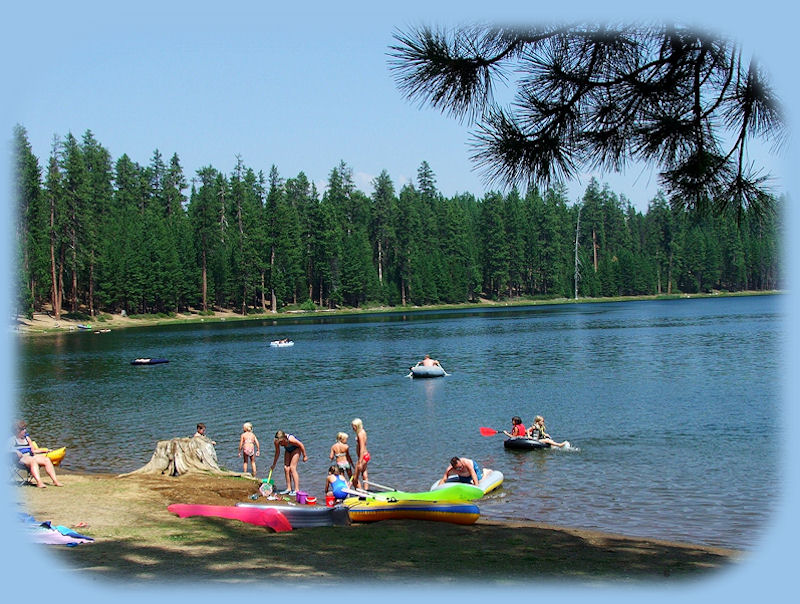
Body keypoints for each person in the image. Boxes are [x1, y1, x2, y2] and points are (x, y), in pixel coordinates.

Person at [10, 420, 62, 488]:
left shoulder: (27, 438)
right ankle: (39, 482)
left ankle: (55, 481)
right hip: (21, 459)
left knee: (46, 460)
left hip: (30, 456)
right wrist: (15, 451)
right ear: (17, 431)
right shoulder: (12, 440)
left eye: (25, 428)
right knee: (32, 461)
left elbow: (34, 451)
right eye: (23, 429)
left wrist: (45, 450)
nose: (25, 430)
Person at [271, 430, 307, 496]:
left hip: (296, 449)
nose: (280, 444)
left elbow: (301, 444)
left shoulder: (291, 439)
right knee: (286, 468)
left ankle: (296, 489)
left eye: (281, 442)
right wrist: (274, 464)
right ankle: (289, 488)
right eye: (279, 442)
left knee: (292, 468)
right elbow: (277, 452)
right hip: (288, 450)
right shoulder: (276, 441)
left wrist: (304, 456)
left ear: (284, 438)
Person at [350, 418, 370, 491]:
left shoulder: (360, 434)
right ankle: (366, 490)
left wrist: (360, 462)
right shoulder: (363, 432)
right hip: (366, 455)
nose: (353, 428)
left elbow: (362, 448)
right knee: (364, 474)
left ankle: (360, 492)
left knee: (355, 477)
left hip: (363, 457)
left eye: (354, 426)